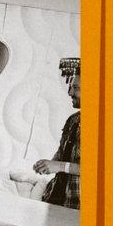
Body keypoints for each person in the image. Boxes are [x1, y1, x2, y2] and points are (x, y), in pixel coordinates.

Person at [33, 58, 80, 210]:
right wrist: (47, 164)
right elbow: (64, 152)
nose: (70, 93)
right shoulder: (73, 120)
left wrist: (59, 166)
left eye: (76, 88)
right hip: (57, 198)